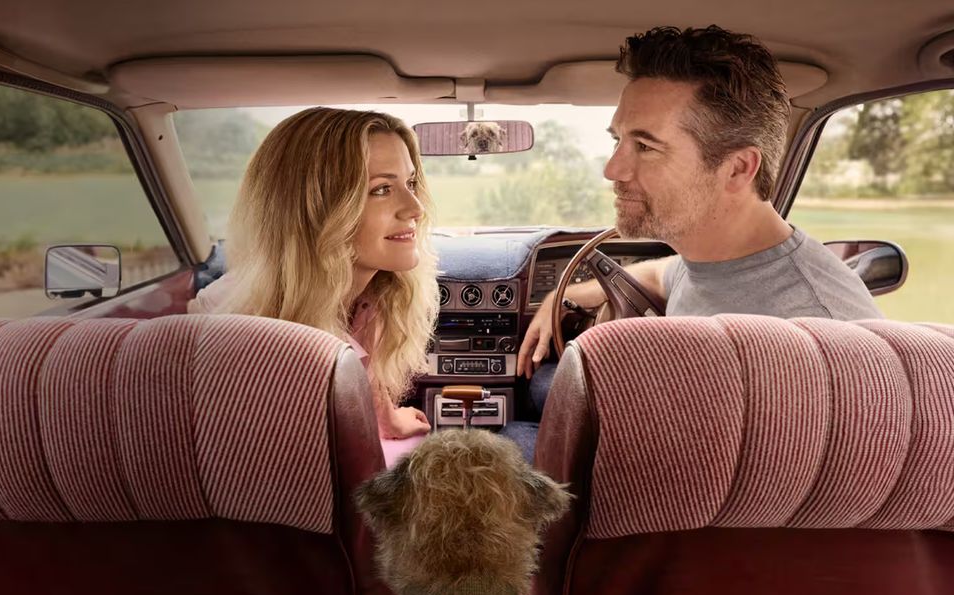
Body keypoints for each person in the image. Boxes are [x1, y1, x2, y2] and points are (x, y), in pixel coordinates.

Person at [505, 26, 882, 451]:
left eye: (645, 147)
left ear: (738, 168)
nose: (613, 169)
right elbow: (668, 272)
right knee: (540, 386)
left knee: (508, 438)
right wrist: (565, 295)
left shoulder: (815, 339)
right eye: (619, 140)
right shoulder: (713, 252)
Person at [189, 107, 439, 459]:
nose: (415, 207)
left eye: (410, 183)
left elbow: (362, 370)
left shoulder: (373, 292)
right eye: (381, 189)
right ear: (315, 210)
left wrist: (388, 419)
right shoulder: (233, 329)